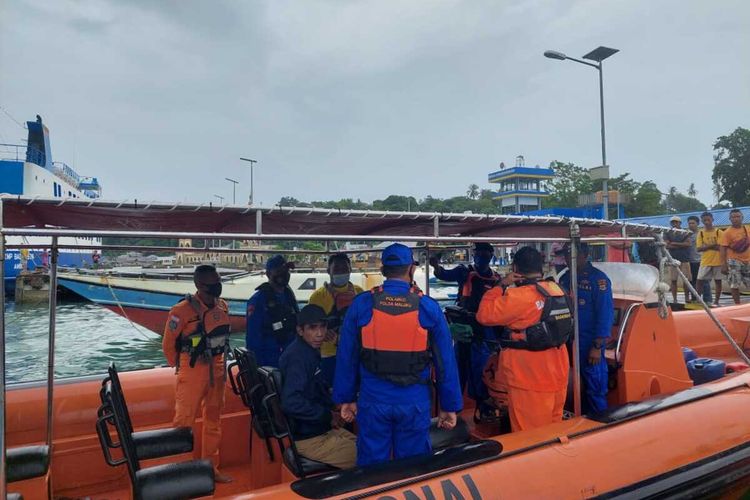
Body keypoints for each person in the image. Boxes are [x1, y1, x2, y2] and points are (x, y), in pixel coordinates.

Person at [334, 243, 462, 466]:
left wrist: (345, 399)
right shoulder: (428, 307)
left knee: (371, 465)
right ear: (411, 269)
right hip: (414, 402)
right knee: (414, 467)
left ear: (383, 270)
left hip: (373, 400)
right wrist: (449, 406)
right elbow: (445, 363)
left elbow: (347, 356)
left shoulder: (361, 304)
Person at [476, 246, 571, 431]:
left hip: (529, 378)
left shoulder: (518, 297)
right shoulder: (558, 290)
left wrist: (501, 285)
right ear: (541, 267)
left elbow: (483, 315)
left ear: (515, 269)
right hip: (558, 373)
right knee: (554, 431)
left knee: (529, 438)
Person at [162, 265, 232, 483]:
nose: (216, 286)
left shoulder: (222, 306)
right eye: (212, 282)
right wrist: (180, 367)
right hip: (192, 370)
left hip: (217, 368)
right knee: (184, 421)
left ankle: (211, 468)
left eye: (218, 280)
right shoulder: (180, 311)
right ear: (199, 285)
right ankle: (179, 474)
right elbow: (168, 344)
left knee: (214, 420)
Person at [279, 304, 357, 469]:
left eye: (323, 327)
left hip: (317, 430)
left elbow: (315, 389)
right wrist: (327, 416)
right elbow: (291, 402)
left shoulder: (308, 351)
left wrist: (335, 405)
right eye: (313, 328)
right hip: (309, 439)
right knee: (370, 455)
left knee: (364, 442)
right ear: (300, 330)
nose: (320, 333)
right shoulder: (298, 358)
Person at [429, 242, 500, 421]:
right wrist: (436, 265)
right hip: (463, 330)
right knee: (457, 368)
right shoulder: (464, 272)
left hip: (485, 331)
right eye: (479, 253)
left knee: (481, 369)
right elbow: (444, 274)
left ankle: (481, 407)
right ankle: (453, 409)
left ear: (490, 256)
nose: (481, 256)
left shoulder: (497, 279)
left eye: (485, 254)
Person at [559, 243, 613, 414]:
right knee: (571, 386)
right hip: (568, 342)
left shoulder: (598, 280)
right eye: (566, 254)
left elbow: (605, 314)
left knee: (595, 385)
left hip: (589, 342)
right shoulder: (565, 278)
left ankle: (600, 425)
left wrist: (597, 346)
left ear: (585, 254)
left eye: (572, 254)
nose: (568, 258)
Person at [308, 253, 363, 386]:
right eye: (336, 268)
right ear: (328, 271)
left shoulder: (360, 293)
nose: (341, 271)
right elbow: (309, 327)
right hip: (329, 355)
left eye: (344, 268)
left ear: (350, 269)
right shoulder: (317, 297)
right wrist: (322, 333)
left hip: (356, 353)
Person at [246, 255, 299, 367]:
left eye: (286, 270)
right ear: (268, 274)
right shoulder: (258, 300)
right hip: (269, 360)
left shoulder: (288, 296)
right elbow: (253, 336)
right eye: (279, 270)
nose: (283, 274)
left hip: (291, 356)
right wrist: (256, 366)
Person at [719, 209, 750, 305]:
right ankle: (737, 305)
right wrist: (723, 264)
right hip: (734, 261)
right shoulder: (727, 232)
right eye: (733, 217)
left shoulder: (748, 229)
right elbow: (722, 248)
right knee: (734, 284)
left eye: (737, 216)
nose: (735, 219)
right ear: (729, 219)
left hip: (748, 260)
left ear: (742, 217)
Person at [695, 212, 724, 307]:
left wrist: (706, 246)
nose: (707, 222)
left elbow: (720, 247)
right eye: (704, 220)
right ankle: (698, 299)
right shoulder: (701, 233)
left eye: (708, 219)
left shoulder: (719, 232)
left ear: (712, 219)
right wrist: (713, 245)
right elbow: (699, 248)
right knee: (699, 280)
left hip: (718, 261)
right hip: (705, 261)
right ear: (702, 221)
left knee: (718, 281)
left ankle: (716, 301)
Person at [665, 216, 693, 303]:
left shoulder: (685, 232)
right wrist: (681, 244)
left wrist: (674, 243)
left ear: (680, 223)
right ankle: (674, 299)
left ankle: (687, 298)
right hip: (672, 260)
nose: (674, 224)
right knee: (673, 280)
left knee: (686, 280)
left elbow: (688, 244)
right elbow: (666, 245)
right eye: (673, 222)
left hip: (684, 259)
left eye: (676, 222)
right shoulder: (667, 232)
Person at [687, 215, 713, 304]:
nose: (691, 225)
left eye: (693, 223)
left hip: (701, 260)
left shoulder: (701, 234)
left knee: (704, 280)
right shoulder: (686, 235)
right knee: (693, 280)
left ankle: (708, 299)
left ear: (697, 224)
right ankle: (695, 298)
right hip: (690, 260)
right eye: (689, 223)